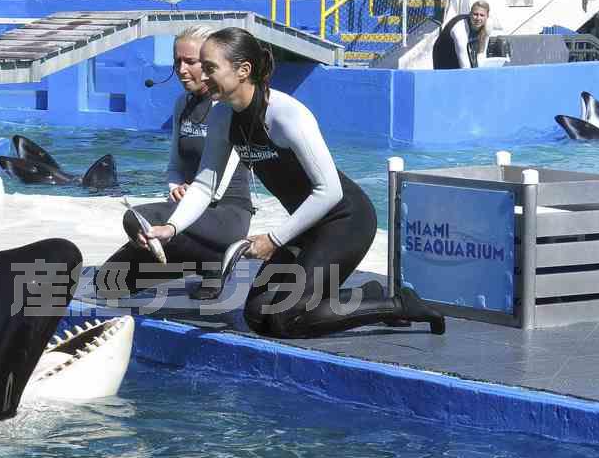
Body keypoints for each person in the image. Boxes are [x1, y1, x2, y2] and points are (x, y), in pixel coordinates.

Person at [139, 26, 445, 338]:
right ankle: (366, 295)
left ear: (243, 70)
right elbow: (205, 186)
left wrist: (274, 239)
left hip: (344, 221)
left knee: (286, 320)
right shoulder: (223, 116)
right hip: (305, 226)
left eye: (210, 68)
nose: (202, 76)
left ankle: (399, 304)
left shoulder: (285, 115)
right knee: (259, 315)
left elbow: (330, 191)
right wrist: (171, 228)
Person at [96, 25, 254, 300]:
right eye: (177, 61)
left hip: (225, 215)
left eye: (190, 62)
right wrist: (174, 186)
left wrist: (189, 195)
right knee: (109, 281)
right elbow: (174, 165)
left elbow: (216, 184)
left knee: (138, 216)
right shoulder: (183, 104)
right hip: (186, 214)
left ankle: (216, 260)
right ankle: (200, 259)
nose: (181, 69)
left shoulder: (228, 107)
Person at [432, 1, 490, 69]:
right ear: (470, 14)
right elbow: (464, 65)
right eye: (475, 14)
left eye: (482, 15)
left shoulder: (488, 26)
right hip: (443, 53)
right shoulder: (460, 28)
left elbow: (481, 53)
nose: (478, 18)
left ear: (487, 16)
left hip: (461, 49)